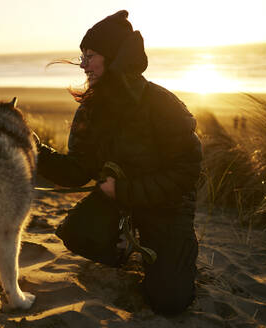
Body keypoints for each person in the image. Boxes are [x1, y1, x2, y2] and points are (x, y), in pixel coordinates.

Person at [35, 10, 202, 316]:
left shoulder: (160, 103)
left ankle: (179, 252)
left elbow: (187, 171)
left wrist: (124, 190)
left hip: (167, 205)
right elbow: (76, 170)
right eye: (82, 56)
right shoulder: (90, 108)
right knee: (76, 233)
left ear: (114, 57)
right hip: (119, 200)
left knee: (168, 301)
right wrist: (35, 151)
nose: (83, 64)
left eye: (90, 55)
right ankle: (125, 246)